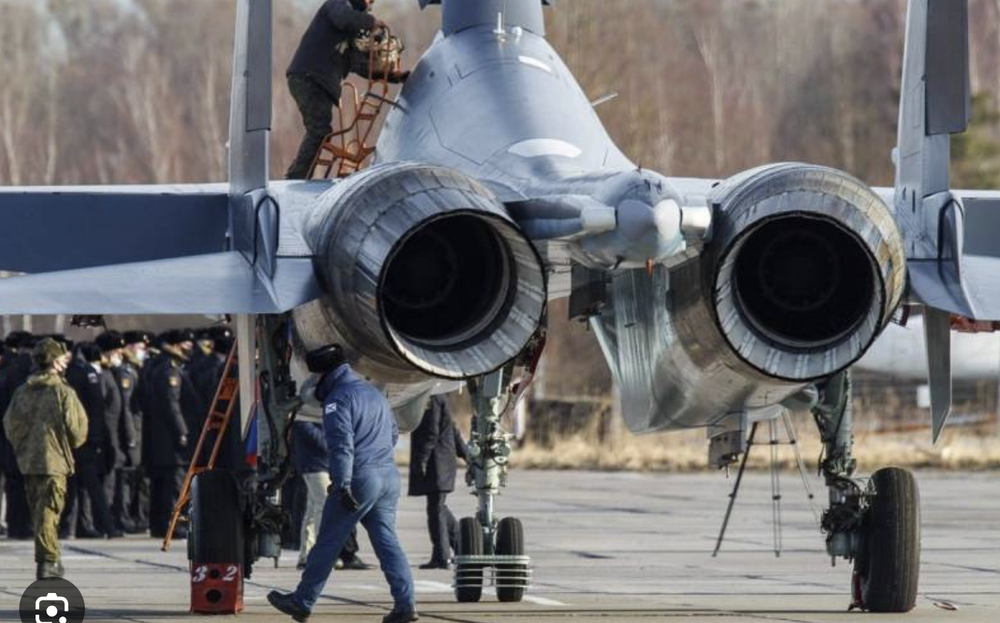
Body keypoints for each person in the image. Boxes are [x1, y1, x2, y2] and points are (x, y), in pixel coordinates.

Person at [268, 344, 416, 623]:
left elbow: (341, 448)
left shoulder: (338, 399)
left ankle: (302, 601)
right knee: (387, 542)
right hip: (387, 476)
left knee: (327, 542)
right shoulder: (374, 393)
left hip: (359, 478)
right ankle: (405, 604)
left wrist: (342, 483)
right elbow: (393, 434)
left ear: (323, 375)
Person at [285, 0, 407, 179]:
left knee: (322, 131)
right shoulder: (337, 4)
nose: (370, 4)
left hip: (318, 83)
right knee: (319, 130)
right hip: (308, 78)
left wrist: (393, 76)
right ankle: (296, 177)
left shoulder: (352, 32)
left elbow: (360, 65)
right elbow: (343, 18)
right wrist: (371, 22)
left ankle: (300, 175)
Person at [3, 338, 87, 579]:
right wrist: (65, 445)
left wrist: (25, 446)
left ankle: (51, 558)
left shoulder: (22, 391)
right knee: (49, 513)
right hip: (54, 461)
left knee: (41, 513)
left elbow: (10, 424)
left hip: (29, 462)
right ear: (55, 362)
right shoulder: (63, 391)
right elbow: (77, 430)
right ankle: (48, 561)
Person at [145, 330, 202, 539]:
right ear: (177, 345)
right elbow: (172, 404)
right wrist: (182, 431)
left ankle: (159, 525)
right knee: (174, 484)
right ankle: (175, 525)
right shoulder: (171, 369)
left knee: (162, 484)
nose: (190, 347)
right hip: (172, 438)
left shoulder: (162, 365)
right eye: (186, 343)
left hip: (162, 438)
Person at [63, 343, 121, 539]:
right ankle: (104, 526)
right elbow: (97, 406)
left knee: (75, 486)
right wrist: (97, 436)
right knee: (91, 486)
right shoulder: (87, 372)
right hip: (86, 437)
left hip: (74, 437)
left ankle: (70, 527)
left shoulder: (72, 373)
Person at [408, 395, 468, 569]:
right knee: (438, 507)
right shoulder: (440, 397)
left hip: (437, 462)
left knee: (436, 510)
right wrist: (465, 454)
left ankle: (442, 556)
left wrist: (422, 460)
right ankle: (463, 547)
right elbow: (453, 429)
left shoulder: (431, 398)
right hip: (442, 461)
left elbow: (431, 432)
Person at [0, 331, 36, 540]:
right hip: (24, 434)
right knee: (25, 482)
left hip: (8, 433)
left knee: (13, 482)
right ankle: (24, 526)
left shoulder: (8, 368)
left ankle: (15, 525)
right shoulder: (28, 368)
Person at [119, 331, 150, 533]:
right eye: (140, 347)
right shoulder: (126, 371)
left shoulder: (137, 368)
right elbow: (126, 408)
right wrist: (131, 435)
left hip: (140, 431)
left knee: (138, 477)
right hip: (132, 433)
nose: (143, 351)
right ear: (129, 347)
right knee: (128, 477)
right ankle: (125, 517)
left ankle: (138, 517)